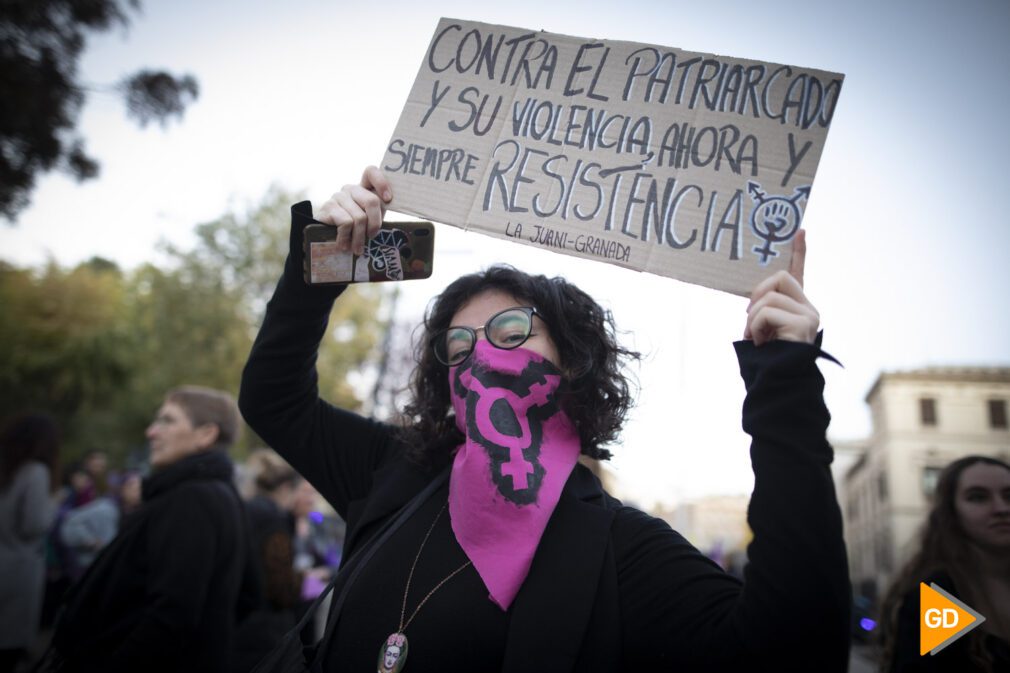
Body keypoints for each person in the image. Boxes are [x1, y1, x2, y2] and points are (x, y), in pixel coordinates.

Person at [239, 167, 851, 671]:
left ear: (573, 360)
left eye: (510, 331)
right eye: (457, 345)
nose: (478, 352)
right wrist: (323, 263)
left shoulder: (619, 549)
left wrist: (784, 381)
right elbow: (273, 399)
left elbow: (791, 649)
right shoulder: (396, 470)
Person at [41, 386, 258, 673]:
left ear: (206, 434)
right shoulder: (215, 494)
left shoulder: (193, 499)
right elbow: (247, 594)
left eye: (168, 421)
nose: (151, 432)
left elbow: (172, 616)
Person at [880, 455, 1010, 672]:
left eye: (1009, 495)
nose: (1001, 508)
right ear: (951, 512)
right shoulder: (940, 596)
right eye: (978, 497)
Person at [0, 413, 60, 673]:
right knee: (8, 646)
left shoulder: (6, 468)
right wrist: (55, 502)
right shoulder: (35, 472)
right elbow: (34, 526)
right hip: (17, 571)